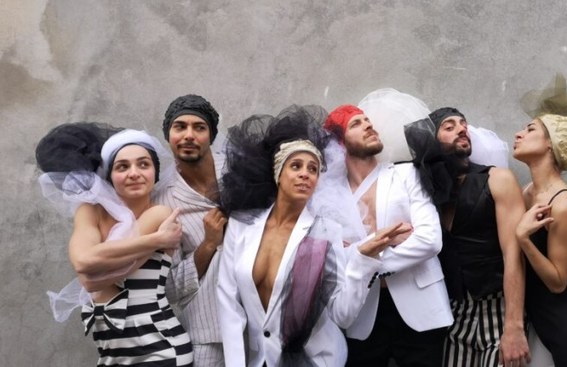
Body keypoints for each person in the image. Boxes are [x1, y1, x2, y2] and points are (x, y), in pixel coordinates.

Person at [216, 105, 410, 367]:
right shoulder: (241, 226)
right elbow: (229, 304)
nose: (305, 174)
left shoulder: (326, 232)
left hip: (317, 360)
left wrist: (364, 260)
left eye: (313, 169)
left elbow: (342, 314)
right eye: (296, 166)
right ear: (278, 174)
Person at [37, 124, 193, 366]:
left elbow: (93, 280)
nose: (134, 173)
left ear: (155, 172)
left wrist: (96, 259)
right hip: (111, 354)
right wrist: (157, 240)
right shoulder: (90, 211)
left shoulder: (159, 214)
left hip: (161, 350)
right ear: (109, 175)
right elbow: (84, 262)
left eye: (144, 164)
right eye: (122, 166)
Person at [320, 104, 453, 367]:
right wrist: (388, 239)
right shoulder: (331, 198)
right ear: (339, 143)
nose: (368, 125)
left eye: (367, 120)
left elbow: (429, 240)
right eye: (356, 123)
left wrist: (363, 257)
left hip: (421, 311)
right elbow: (333, 258)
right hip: (363, 315)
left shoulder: (406, 174)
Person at [406, 107, 530, 367]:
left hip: (498, 310)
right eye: (449, 126)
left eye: (463, 124)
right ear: (432, 140)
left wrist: (514, 326)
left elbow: (514, 256)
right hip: (451, 315)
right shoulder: (423, 189)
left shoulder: (497, 178)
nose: (462, 129)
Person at [512, 114, 567, 366]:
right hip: (538, 318)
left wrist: (524, 238)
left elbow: (559, 282)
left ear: (551, 143)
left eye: (530, 129)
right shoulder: (526, 191)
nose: (519, 134)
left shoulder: (563, 203)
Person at [155, 94, 227, 367]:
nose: (189, 135)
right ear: (168, 134)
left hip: (261, 326)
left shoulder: (240, 172)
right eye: (180, 127)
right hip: (209, 334)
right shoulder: (162, 201)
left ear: (211, 135)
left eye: (199, 127)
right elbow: (169, 288)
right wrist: (207, 245)